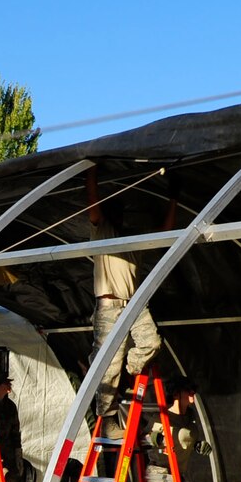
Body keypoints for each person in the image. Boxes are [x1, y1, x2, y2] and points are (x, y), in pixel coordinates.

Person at [86, 170, 163, 430]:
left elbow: (166, 233)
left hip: (134, 304)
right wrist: (91, 174)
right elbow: (93, 209)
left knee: (151, 342)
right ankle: (106, 418)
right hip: (108, 306)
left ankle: (130, 374)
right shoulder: (103, 231)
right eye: (115, 212)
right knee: (107, 366)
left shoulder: (135, 240)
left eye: (121, 213)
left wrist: (173, 200)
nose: (119, 217)